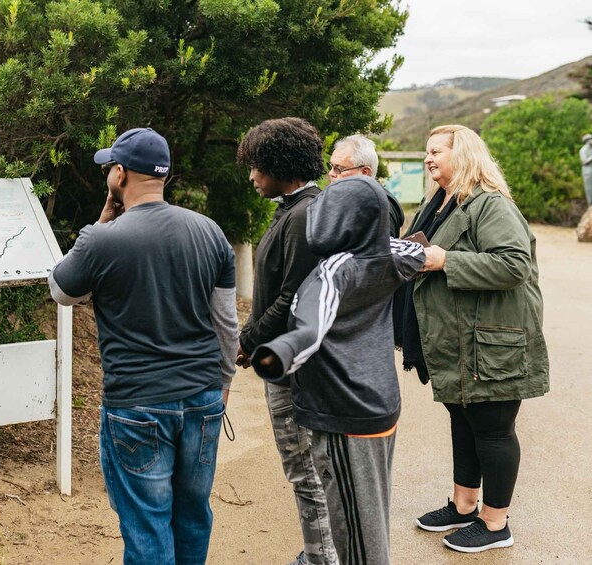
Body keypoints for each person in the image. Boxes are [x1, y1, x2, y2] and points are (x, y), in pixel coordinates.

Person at [48, 127, 239, 565]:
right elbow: (226, 324)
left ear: (119, 174)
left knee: (147, 523)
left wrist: (101, 221)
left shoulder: (102, 239)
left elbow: (61, 291)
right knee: (192, 514)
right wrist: (223, 385)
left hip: (136, 403)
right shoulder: (209, 232)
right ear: (165, 176)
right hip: (202, 396)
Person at [251, 176, 426, 565]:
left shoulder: (334, 270)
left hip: (344, 413)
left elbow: (311, 327)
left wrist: (279, 353)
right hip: (380, 405)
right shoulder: (390, 255)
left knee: (354, 536)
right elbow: (420, 252)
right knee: (371, 517)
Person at [399, 124, 549, 553]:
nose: (428, 159)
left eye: (436, 152)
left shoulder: (490, 204)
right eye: (426, 153)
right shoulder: (439, 203)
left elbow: (513, 264)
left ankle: (496, 524)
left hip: (491, 343)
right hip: (457, 341)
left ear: (462, 155)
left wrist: (445, 260)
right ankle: (465, 506)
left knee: (493, 429)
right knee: (463, 421)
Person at [235, 117, 337, 565]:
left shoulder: (303, 215)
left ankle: (322, 557)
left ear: (280, 163)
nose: (252, 176)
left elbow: (292, 298)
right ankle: (322, 552)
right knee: (307, 467)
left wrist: (248, 340)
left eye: (257, 165)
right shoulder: (295, 208)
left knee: (306, 469)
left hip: (291, 367)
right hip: (283, 358)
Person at [327, 134, 404, 238]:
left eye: (339, 168)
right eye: (331, 166)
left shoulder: (378, 208)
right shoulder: (353, 200)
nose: (331, 173)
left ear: (365, 172)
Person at [580, 133, 592, 206]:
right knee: (589, 187)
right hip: (587, 171)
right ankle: (590, 203)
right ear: (587, 141)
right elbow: (584, 161)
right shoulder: (583, 150)